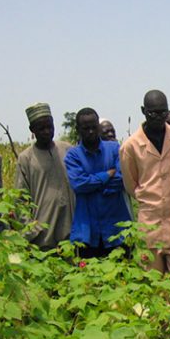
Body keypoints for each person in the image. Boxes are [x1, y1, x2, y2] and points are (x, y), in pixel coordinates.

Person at [120, 90, 170, 272]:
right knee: (153, 290)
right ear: (143, 111)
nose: (159, 117)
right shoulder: (131, 146)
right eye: (153, 113)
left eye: (163, 112)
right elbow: (131, 185)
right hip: (149, 227)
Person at [65, 107, 132, 258]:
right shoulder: (73, 156)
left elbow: (121, 180)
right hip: (87, 233)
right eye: (85, 128)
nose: (90, 132)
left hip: (116, 229)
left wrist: (93, 185)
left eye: (93, 127)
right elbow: (79, 184)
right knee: (88, 280)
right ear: (78, 129)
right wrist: (105, 175)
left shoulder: (114, 149)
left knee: (122, 278)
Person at [14, 103, 75, 250]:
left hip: (70, 233)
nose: (47, 131)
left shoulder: (67, 150)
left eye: (50, 127)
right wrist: (32, 230)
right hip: (42, 237)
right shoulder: (26, 158)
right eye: (41, 128)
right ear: (32, 130)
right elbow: (19, 200)